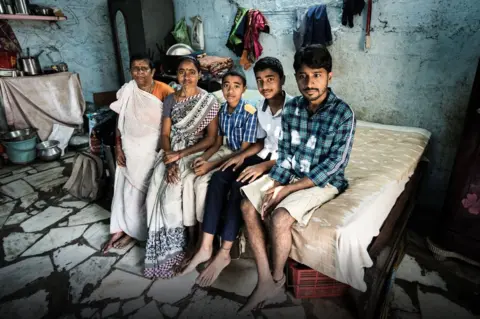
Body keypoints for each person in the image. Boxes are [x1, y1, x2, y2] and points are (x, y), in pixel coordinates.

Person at [238, 44, 356, 312]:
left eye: (317, 75)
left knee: (279, 217)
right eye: (303, 76)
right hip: (291, 173)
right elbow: (287, 153)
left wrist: (288, 190)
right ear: (295, 78)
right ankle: (265, 279)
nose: (309, 82)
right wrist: (276, 183)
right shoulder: (292, 109)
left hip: (324, 182)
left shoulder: (343, 113)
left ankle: (278, 279)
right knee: (247, 203)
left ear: (329, 76)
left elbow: (334, 164)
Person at [182, 57, 293, 287]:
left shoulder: (294, 109)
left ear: (282, 80)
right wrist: (242, 156)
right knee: (219, 178)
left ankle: (224, 251)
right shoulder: (262, 107)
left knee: (238, 187)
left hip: (279, 164)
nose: (264, 86)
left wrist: (259, 165)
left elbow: (293, 153)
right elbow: (261, 142)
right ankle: (205, 247)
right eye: (260, 81)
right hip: (261, 156)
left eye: (270, 80)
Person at [143, 56, 221, 279]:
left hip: (193, 151)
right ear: (176, 75)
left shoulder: (209, 102)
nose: (186, 77)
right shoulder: (170, 100)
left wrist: (181, 155)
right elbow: (166, 134)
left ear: (199, 75)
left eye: (191, 72)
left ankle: (182, 248)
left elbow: (211, 139)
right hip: (171, 152)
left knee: (173, 192)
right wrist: (169, 160)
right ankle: (164, 250)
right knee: (154, 191)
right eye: (181, 72)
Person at [103, 53, 174, 253]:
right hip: (129, 146)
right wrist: (118, 146)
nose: (140, 73)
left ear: (153, 71)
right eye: (136, 68)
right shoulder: (128, 90)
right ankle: (125, 227)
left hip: (152, 148)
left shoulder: (165, 91)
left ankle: (136, 232)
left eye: (144, 69)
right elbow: (120, 121)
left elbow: (172, 125)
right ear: (131, 71)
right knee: (126, 190)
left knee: (143, 192)